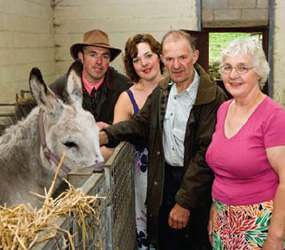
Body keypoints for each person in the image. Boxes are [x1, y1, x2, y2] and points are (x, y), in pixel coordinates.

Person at [99, 30, 227, 249]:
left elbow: (206, 154)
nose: (176, 65)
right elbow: (140, 124)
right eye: (169, 58)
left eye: (182, 58)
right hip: (166, 180)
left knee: (197, 242)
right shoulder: (162, 92)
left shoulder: (213, 97)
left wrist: (184, 203)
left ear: (194, 56)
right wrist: (106, 135)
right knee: (167, 241)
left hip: (197, 186)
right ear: (163, 59)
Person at [206, 38, 285, 249]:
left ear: (258, 73)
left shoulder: (273, 116)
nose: (233, 75)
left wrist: (275, 238)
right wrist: (215, 210)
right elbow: (223, 169)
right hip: (223, 221)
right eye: (228, 68)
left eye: (242, 68)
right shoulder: (223, 110)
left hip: (259, 224)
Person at [50, 29, 131, 124]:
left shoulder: (123, 87)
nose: (99, 61)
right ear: (81, 57)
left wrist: (110, 130)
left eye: (105, 56)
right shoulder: (60, 88)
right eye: (93, 55)